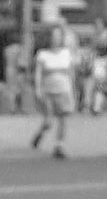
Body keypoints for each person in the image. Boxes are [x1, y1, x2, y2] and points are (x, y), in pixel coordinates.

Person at [31, 21, 77, 158]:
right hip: (48, 91)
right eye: (53, 36)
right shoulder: (42, 55)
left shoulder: (66, 53)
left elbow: (71, 73)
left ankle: (59, 145)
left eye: (58, 36)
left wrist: (73, 90)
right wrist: (38, 89)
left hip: (64, 89)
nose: (56, 39)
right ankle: (40, 134)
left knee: (63, 118)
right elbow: (38, 74)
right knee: (49, 121)